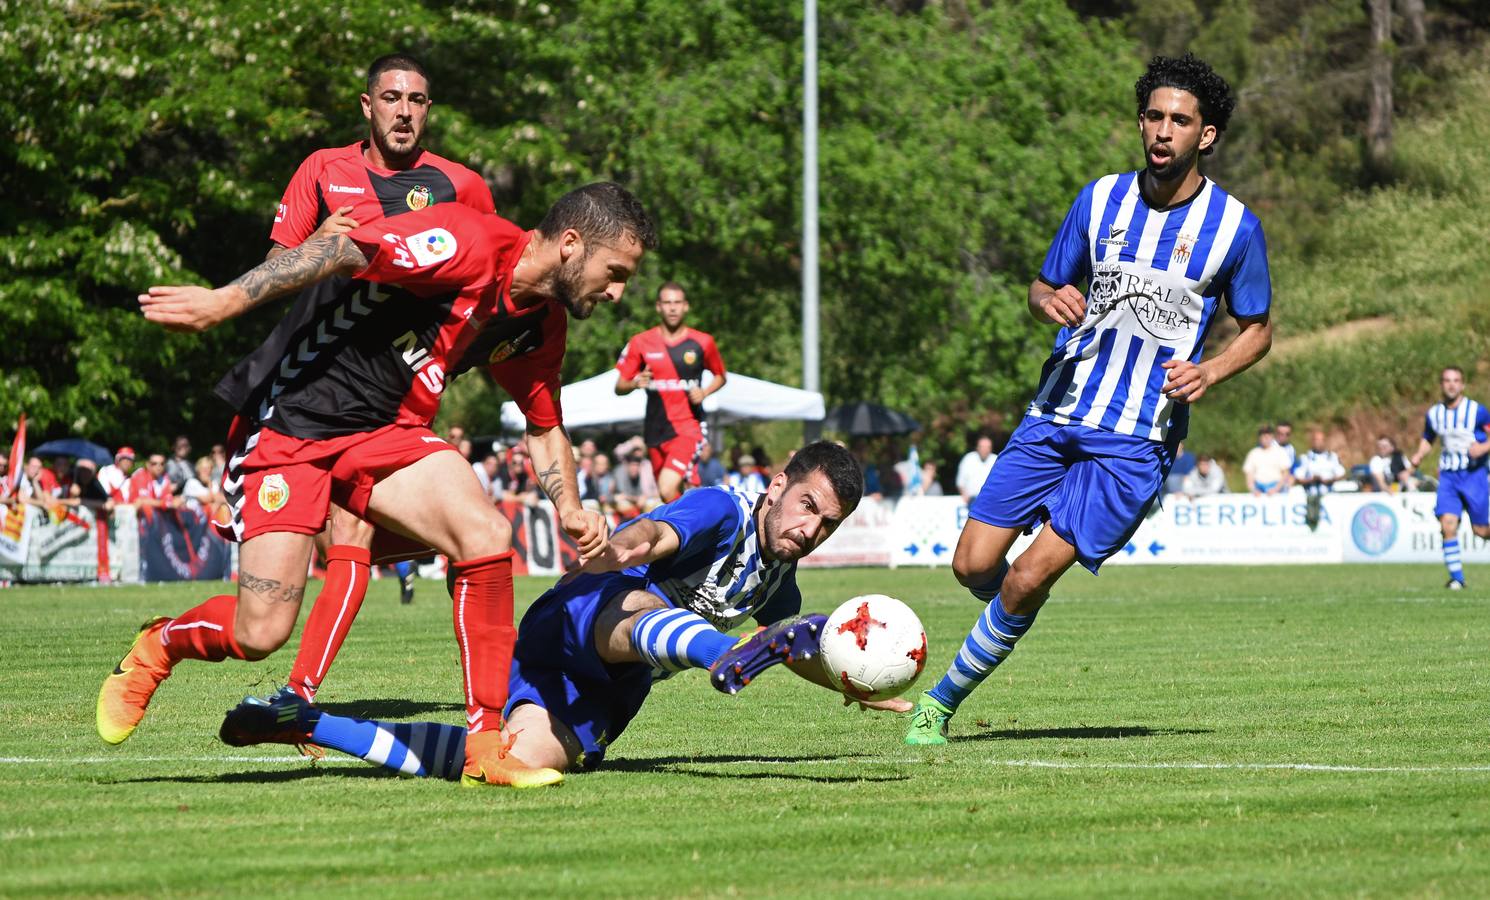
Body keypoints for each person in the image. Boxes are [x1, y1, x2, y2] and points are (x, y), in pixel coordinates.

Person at [98, 180, 656, 791]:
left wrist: (571, 507)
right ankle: (160, 646)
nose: (619, 291)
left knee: (485, 533)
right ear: (571, 244)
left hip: (388, 431)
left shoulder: (539, 324)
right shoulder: (467, 241)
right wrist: (223, 301)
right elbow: (342, 252)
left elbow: (544, 423)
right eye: (616, 271)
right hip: (293, 421)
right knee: (260, 632)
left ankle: (486, 748)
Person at [906, 54, 1272, 745]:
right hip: (1056, 410)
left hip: (1136, 436)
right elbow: (1042, 286)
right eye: (1155, 117)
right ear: (1142, 123)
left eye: (1181, 121)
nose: (1164, 131)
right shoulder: (1098, 200)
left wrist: (1212, 371)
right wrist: (1051, 299)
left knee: (1025, 578)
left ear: (1208, 135)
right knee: (973, 566)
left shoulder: (1234, 228)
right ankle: (1012, 615)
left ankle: (940, 704)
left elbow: (1258, 330)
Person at [219, 442, 904, 777]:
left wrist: (848, 675)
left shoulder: (779, 577)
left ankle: (303, 721)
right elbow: (652, 536)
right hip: (586, 610)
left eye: (827, 525)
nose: (811, 529)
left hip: (614, 682)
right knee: (637, 602)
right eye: (808, 507)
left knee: (521, 761)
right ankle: (716, 657)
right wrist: (613, 548)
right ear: (778, 486)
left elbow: (788, 642)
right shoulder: (722, 507)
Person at [259, 51, 501, 697]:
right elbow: (276, 270)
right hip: (312, 391)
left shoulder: (462, 186)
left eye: (416, 100)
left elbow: (488, 281)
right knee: (266, 620)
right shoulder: (323, 169)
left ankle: (303, 697)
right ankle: (279, 686)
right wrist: (323, 248)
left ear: (429, 111)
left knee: (464, 536)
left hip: (395, 399)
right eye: (391, 98)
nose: (404, 111)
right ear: (367, 106)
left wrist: (449, 361)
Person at [614, 282, 727, 502]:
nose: (672, 308)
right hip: (655, 431)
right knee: (671, 497)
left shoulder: (702, 342)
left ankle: (704, 520)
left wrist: (704, 393)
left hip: (688, 428)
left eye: (677, 303)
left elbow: (721, 376)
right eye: (667, 303)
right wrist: (635, 382)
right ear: (658, 307)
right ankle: (697, 530)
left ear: (686, 306)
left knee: (667, 488)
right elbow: (619, 387)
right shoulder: (640, 342)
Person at [1407, 366, 1490, 589]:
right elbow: (1428, 438)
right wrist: (1417, 457)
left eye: (1456, 380)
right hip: (1449, 478)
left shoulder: (1477, 411)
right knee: (1447, 524)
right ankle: (1457, 579)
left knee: (1481, 531)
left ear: (1462, 385)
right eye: (1446, 380)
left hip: (1474, 476)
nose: (1451, 384)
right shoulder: (1434, 414)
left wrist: (1483, 448)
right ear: (1441, 385)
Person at [1293, 429, 1343, 496]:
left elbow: (1341, 474)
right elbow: (1298, 478)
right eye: (1316, 440)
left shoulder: (1332, 457)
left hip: (1330, 494)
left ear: (1325, 442)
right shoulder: (1305, 458)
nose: (1318, 443)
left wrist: (1328, 480)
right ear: (1312, 442)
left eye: (1321, 440)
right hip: (1311, 495)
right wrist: (1311, 480)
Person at [1243, 426, 1292, 495]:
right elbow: (1249, 475)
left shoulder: (1280, 452)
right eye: (1263, 436)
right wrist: (1253, 490)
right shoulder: (1253, 453)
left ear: (1272, 437)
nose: (1266, 438)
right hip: (1259, 489)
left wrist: (1276, 489)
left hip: (1277, 489)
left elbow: (1285, 473)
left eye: (1268, 436)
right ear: (1259, 438)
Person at [955, 436, 997, 502]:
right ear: (977, 447)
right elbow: (960, 481)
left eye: (987, 447)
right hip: (972, 500)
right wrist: (964, 494)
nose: (984, 449)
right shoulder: (968, 459)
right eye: (982, 447)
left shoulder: (995, 460)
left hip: (991, 500)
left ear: (991, 448)